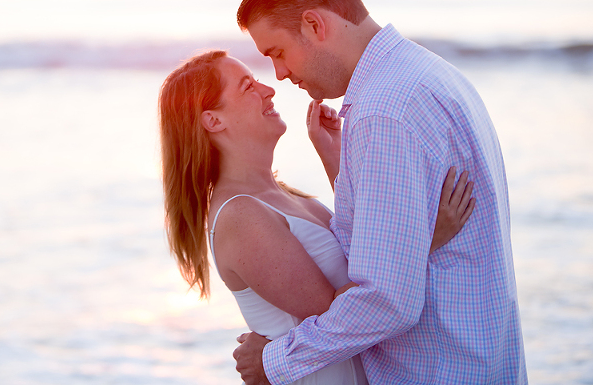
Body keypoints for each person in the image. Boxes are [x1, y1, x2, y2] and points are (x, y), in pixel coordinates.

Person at [232, 0, 527, 384]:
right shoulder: (428, 72)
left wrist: (276, 361)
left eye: (278, 52)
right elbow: (391, 246)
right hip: (481, 362)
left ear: (315, 25)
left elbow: (387, 299)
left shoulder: (383, 111)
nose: (278, 74)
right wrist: (339, 165)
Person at [158, 49, 475, 384]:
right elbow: (341, 315)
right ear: (213, 120)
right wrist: (426, 240)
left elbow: (361, 251)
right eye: (247, 86)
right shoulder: (241, 215)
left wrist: (333, 152)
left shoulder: (283, 196)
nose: (269, 89)